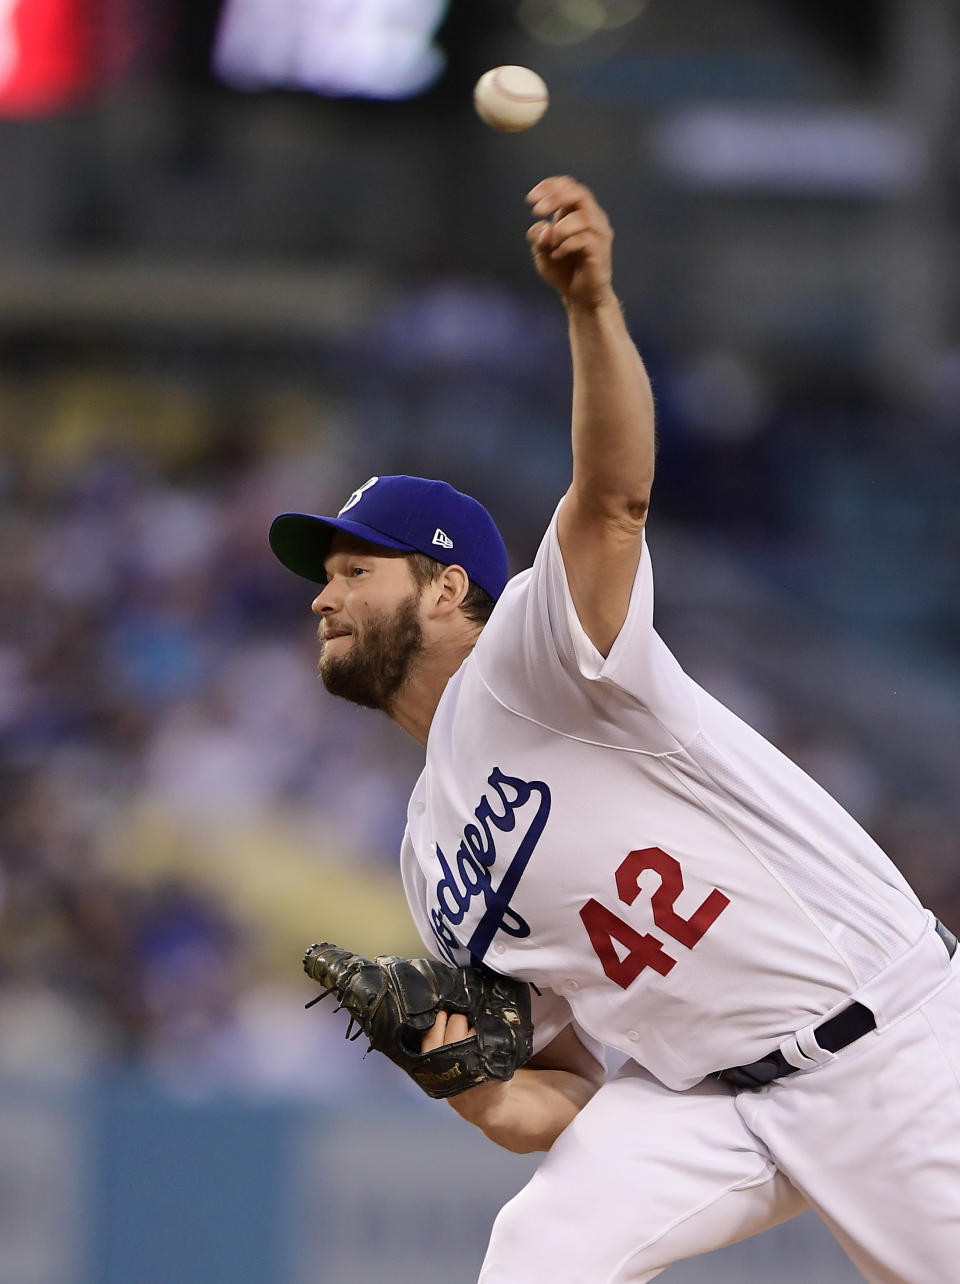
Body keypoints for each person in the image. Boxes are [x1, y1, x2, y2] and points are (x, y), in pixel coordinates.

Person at [268, 176, 960, 1283]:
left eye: (357, 569)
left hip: (884, 1047)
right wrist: (456, 1074)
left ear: (447, 588)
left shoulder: (537, 655)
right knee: (537, 1252)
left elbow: (614, 497)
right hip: (705, 1109)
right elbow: (559, 1100)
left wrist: (590, 306)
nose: (323, 595)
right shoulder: (427, 856)